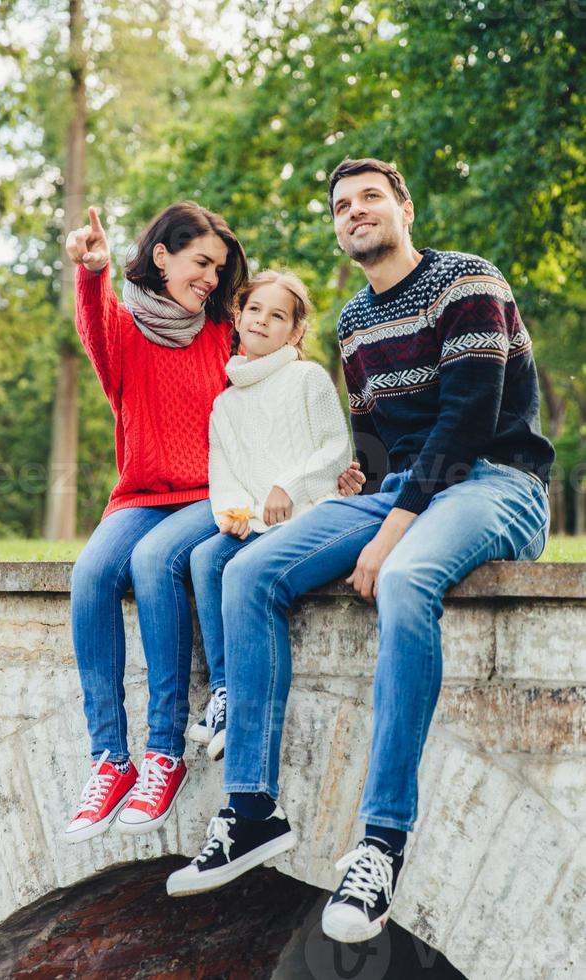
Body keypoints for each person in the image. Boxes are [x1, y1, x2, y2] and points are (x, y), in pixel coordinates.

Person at [166, 158, 554, 948]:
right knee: (247, 570)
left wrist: (389, 526)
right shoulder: (352, 321)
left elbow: (469, 419)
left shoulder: (466, 281)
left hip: (494, 482)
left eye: (370, 197)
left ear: (404, 207)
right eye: (341, 205)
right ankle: (250, 810)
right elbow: (384, 445)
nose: (354, 211)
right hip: (403, 488)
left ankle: (380, 845)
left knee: (406, 578)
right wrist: (363, 481)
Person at [63, 205, 363, 845]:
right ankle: (110, 759)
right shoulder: (124, 333)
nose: (210, 278)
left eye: (219, 270)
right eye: (201, 262)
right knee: (89, 574)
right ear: (163, 255)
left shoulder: (222, 334)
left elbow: (273, 403)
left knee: (153, 565)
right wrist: (93, 272)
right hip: (139, 496)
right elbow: (95, 322)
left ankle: (164, 751)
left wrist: (327, 476)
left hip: (212, 494)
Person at [187, 270, 353, 762]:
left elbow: (336, 449)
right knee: (205, 557)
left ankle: (236, 703)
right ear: (237, 317)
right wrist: (231, 513)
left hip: (308, 518)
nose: (263, 321)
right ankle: (224, 694)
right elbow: (226, 472)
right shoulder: (225, 404)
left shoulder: (307, 379)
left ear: (295, 331)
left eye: (278, 315)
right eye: (255, 310)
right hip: (256, 524)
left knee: (234, 569)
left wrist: (291, 485)